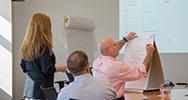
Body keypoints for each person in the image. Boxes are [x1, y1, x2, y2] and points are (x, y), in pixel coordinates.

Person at [19, 13, 67, 100]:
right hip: (41, 91)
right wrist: (61, 68)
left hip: (28, 89)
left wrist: (34, 72)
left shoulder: (27, 46)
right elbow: (47, 69)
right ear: (45, 27)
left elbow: (23, 66)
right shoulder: (44, 46)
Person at [92, 32, 155, 97]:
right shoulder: (116, 67)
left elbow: (110, 49)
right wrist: (149, 53)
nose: (118, 46)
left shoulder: (97, 61)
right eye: (114, 45)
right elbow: (141, 72)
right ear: (108, 50)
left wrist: (125, 39)